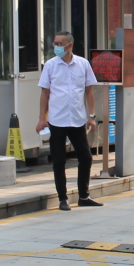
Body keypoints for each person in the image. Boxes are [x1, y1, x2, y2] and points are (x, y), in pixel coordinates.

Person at [36, 31, 101, 211]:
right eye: (55, 43)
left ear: (69, 45)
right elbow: (45, 93)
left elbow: (89, 91)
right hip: (57, 120)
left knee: (86, 157)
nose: (56, 47)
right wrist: (42, 119)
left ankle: (84, 196)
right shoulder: (50, 65)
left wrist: (92, 116)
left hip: (77, 120)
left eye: (59, 43)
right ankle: (63, 198)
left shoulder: (83, 64)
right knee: (59, 161)